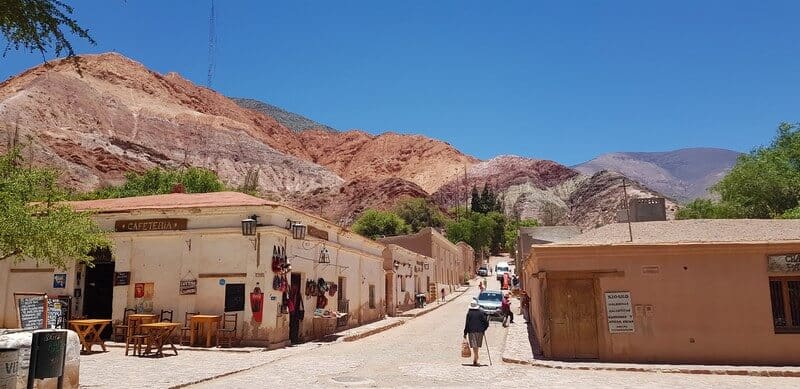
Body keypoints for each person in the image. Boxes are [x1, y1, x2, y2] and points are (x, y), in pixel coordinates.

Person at [463, 301, 489, 366]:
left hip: (471, 331)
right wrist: (483, 329)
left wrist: (465, 333)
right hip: (480, 332)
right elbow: (486, 323)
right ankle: (476, 358)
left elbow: (467, 324)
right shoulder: (480, 313)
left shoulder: (469, 313)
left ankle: (476, 357)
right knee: (477, 345)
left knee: (474, 345)